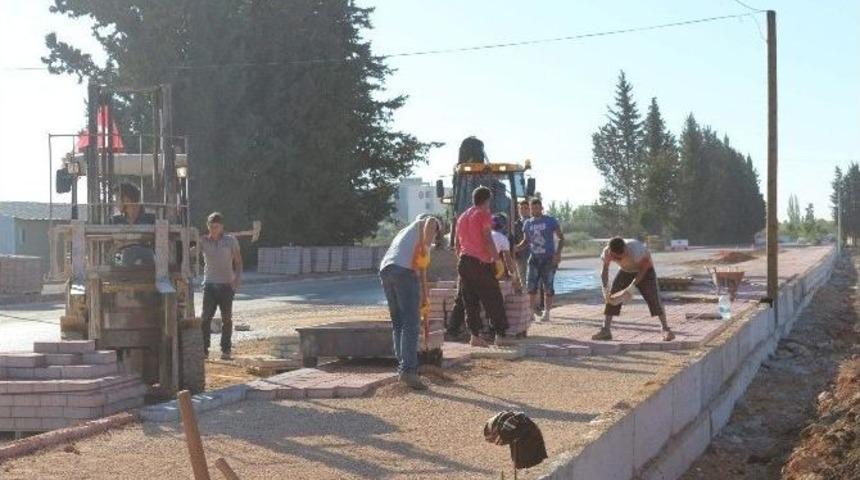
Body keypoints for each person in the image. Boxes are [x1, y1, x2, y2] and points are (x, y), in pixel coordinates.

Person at [379, 214, 442, 390]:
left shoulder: (405, 233)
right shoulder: (425, 223)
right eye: (437, 234)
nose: (434, 238)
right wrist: (427, 244)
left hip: (387, 271)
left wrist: (424, 296)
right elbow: (430, 222)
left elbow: (421, 269)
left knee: (398, 323)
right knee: (411, 324)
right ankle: (408, 371)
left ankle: (402, 369)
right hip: (404, 272)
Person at [455, 186, 508, 347]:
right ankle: (500, 335)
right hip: (480, 263)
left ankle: (475, 336)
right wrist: (497, 260)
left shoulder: (462, 217)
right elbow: (487, 239)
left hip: (464, 261)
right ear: (487, 200)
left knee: (470, 301)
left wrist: (462, 259)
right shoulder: (483, 214)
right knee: (493, 298)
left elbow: (457, 243)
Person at [593, 237, 675, 342]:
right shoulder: (607, 252)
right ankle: (606, 330)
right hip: (625, 271)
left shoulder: (636, 249)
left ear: (625, 248)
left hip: (645, 271)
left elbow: (644, 268)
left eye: (621, 255)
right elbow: (604, 270)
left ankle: (666, 329)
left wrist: (631, 288)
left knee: (653, 298)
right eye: (615, 257)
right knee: (611, 297)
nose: (618, 258)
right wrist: (605, 288)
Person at [199, 212, 243, 360]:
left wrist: (236, 280)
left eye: (216, 227)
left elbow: (238, 261)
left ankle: (226, 350)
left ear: (221, 227)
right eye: (210, 226)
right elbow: (190, 252)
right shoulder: (203, 241)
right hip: (210, 285)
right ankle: (204, 350)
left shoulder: (230, 241)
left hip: (226, 286)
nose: (213, 229)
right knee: (205, 319)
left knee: (227, 319)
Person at [516, 198, 564, 323]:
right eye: (532, 208)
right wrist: (515, 249)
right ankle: (531, 312)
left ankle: (547, 312)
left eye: (537, 208)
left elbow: (561, 238)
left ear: (541, 208)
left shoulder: (550, 221)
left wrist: (558, 254)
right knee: (531, 286)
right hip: (534, 258)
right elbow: (526, 241)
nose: (534, 210)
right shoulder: (527, 223)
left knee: (548, 286)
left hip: (548, 258)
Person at [491, 213, 522, 291]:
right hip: (488, 266)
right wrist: (514, 277)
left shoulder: (485, 234)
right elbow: (508, 261)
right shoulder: (503, 239)